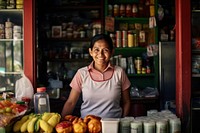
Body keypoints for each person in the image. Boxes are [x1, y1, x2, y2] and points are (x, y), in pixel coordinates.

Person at [61, 33, 131, 118]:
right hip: (87, 126)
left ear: (112, 52)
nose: (100, 54)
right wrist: (62, 123)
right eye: (96, 50)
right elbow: (71, 102)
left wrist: (122, 122)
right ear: (90, 52)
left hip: (113, 126)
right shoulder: (82, 73)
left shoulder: (119, 73)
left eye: (105, 50)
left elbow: (126, 102)